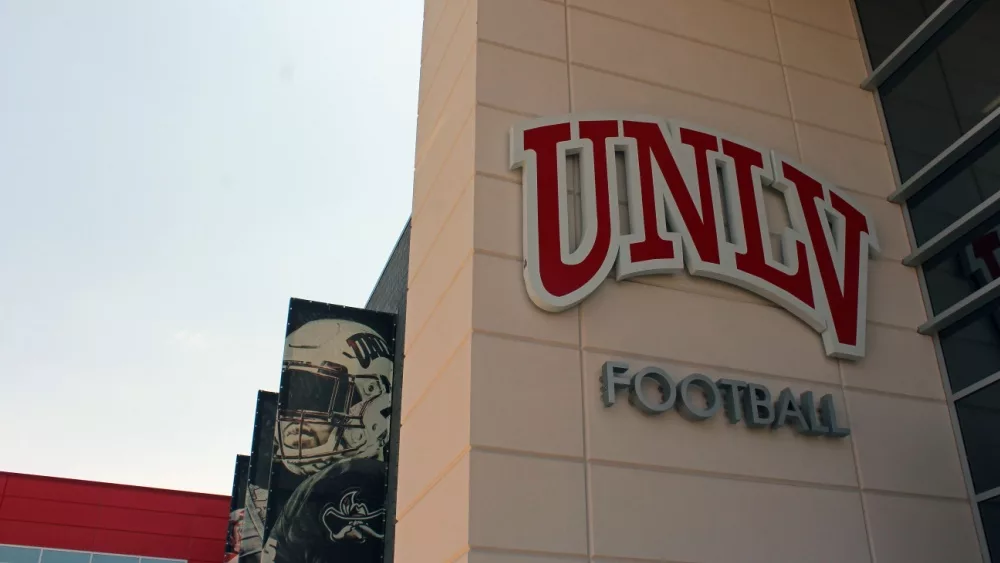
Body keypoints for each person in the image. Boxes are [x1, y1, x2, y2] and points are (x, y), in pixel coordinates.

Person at [262, 318, 394, 563]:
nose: (296, 418)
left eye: (319, 397)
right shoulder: (305, 494)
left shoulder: (349, 482)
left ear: (372, 399)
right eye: (295, 397)